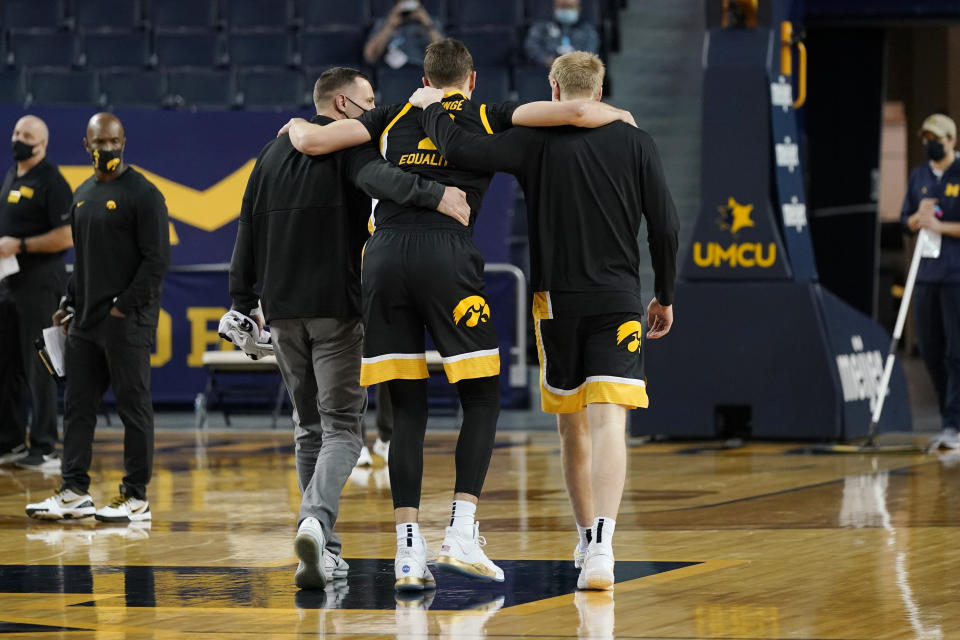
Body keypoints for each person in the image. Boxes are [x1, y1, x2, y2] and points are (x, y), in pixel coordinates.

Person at [278, 38, 633, 592]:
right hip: (447, 257)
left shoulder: (388, 113)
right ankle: (461, 532)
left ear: (424, 77)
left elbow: (317, 141)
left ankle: (406, 554)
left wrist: (297, 128)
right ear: (470, 82)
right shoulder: (484, 113)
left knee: (406, 403)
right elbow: (578, 110)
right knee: (483, 395)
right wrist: (617, 114)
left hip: (384, 260)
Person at [412, 50, 678, 590]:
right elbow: (665, 227)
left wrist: (435, 107)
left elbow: (461, 146)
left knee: (570, 423)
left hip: (556, 300)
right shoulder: (636, 140)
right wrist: (665, 294)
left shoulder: (533, 140)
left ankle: (584, 538)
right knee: (611, 420)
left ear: (553, 91)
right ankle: (603, 546)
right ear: (599, 93)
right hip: (619, 295)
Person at [229, 67, 470, 590]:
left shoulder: (269, 156)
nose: (372, 109)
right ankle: (314, 522)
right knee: (342, 429)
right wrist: (436, 195)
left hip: (282, 312)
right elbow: (383, 181)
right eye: (367, 101)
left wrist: (242, 300)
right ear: (341, 104)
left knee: (307, 427)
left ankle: (323, 552)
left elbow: (246, 227)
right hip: (337, 307)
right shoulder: (348, 150)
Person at [25, 113, 170, 523]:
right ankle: (73, 490)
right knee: (77, 407)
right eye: (98, 142)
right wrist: (69, 303)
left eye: (113, 141)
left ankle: (136, 496)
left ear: (124, 142)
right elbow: (84, 260)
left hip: (128, 322)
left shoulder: (144, 194)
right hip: (84, 323)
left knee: (133, 407)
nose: (106, 148)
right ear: (85, 145)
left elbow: (158, 261)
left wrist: (123, 306)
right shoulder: (83, 193)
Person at [0, 115, 73, 471]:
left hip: (40, 284)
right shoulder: (13, 175)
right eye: (16, 133)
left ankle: (44, 446)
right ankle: (11, 440)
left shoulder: (52, 181)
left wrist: (21, 244)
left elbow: (66, 235)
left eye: (26, 135)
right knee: (7, 364)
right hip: (8, 283)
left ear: (42, 144)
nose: (18, 139)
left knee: (38, 364)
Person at [902, 113, 960, 450]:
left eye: (936, 138)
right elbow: (904, 220)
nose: (930, 144)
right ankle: (948, 419)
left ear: (951, 140)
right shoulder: (919, 176)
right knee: (930, 348)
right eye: (925, 139)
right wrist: (916, 218)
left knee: (956, 351)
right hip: (925, 274)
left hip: (955, 275)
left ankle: (953, 423)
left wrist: (942, 227)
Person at [364, 0, 443, 69]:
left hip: (420, 72)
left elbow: (444, 57)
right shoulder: (384, 23)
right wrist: (389, 26)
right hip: (390, 74)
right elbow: (370, 56)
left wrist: (427, 22)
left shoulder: (431, 24)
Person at [524, 0, 600, 70]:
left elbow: (591, 50)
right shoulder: (542, 27)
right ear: (554, 7)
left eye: (570, 6)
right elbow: (531, 46)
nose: (566, 10)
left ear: (578, 9)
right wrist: (546, 60)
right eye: (562, 6)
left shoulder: (587, 30)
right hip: (544, 73)